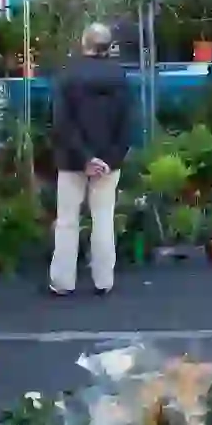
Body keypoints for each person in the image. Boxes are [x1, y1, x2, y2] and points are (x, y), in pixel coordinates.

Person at [48, 23, 132, 297]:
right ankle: (103, 281)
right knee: (104, 218)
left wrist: (85, 157)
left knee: (67, 220)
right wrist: (107, 159)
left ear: (83, 43)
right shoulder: (120, 77)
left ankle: (62, 282)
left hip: (73, 161)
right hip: (108, 163)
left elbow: (62, 122)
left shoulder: (67, 76)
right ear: (108, 47)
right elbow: (126, 124)